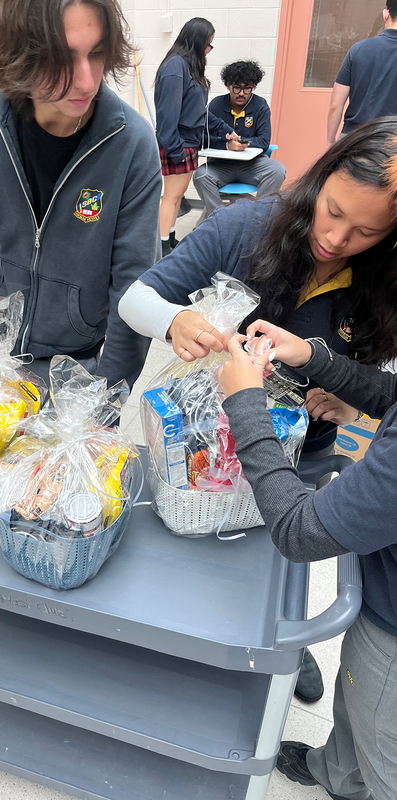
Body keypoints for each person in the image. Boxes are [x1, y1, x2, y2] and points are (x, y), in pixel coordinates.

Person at [119, 117, 397, 703]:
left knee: (279, 566)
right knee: (198, 561)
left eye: (367, 231)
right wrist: (174, 321)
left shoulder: (382, 279)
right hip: (196, 446)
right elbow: (135, 299)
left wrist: (350, 402)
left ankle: (287, 649)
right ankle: (192, 649)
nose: (339, 239)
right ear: (321, 179)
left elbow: (384, 383)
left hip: (303, 462)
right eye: (334, 210)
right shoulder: (245, 227)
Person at [0, 0, 161, 389]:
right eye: (62, 58)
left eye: (97, 52)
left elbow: (134, 288)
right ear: (18, 52)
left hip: (79, 366)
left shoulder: (132, 143)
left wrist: (103, 400)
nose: (87, 81)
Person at [216, 321, 397, 800]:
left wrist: (245, 405)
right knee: (357, 700)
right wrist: (315, 359)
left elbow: (301, 532)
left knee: (384, 739)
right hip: (382, 598)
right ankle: (338, 773)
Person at [154, 17, 237, 257]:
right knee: (170, 197)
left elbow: (200, 110)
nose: (209, 50)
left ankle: (169, 239)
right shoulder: (175, 66)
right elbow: (167, 116)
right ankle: (161, 247)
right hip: (177, 144)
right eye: (208, 44)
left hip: (188, 144)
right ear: (197, 41)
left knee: (177, 196)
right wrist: (175, 150)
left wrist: (226, 130)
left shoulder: (188, 67)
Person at [193, 60, 286, 218]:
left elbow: (264, 142)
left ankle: (256, 216)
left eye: (247, 88)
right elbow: (202, 139)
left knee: (277, 170)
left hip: (252, 165)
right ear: (228, 85)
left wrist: (242, 143)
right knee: (200, 176)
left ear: (253, 87)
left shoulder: (260, 106)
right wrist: (226, 145)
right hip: (221, 166)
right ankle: (220, 218)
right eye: (236, 87)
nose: (241, 93)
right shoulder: (216, 105)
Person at [327, 0, 397, 147]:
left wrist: (330, 141)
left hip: (354, 138)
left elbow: (335, 105)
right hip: (391, 143)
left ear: (386, 14)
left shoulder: (358, 49)